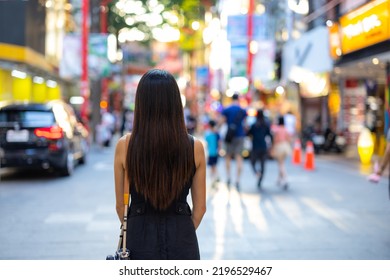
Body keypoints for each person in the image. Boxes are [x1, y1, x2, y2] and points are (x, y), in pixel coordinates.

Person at [114, 69, 206, 260]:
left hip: (138, 236)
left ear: (141, 103)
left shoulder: (125, 145)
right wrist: (181, 231)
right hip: (182, 237)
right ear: (175, 103)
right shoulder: (194, 147)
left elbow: (120, 207)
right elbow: (200, 208)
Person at [220, 93, 247, 190]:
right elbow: (245, 124)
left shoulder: (227, 109)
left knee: (227, 157)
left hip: (229, 136)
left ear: (231, 99)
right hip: (240, 136)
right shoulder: (243, 110)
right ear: (238, 99)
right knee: (239, 157)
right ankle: (238, 180)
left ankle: (228, 177)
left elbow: (222, 121)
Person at [247, 109, 273, 189]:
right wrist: (272, 144)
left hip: (255, 146)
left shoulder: (254, 125)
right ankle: (260, 179)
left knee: (252, 162)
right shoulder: (266, 124)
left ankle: (256, 173)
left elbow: (248, 134)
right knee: (262, 164)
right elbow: (270, 135)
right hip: (263, 146)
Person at [271, 115, 292, 190]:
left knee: (281, 164)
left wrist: (272, 148)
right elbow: (289, 139)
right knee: (281, 163)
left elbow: (275, 140)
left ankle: (285, 179)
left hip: (279, 146)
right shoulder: (286, 129)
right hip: (286, 146)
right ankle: (279, 179)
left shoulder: (277, 130)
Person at [204, 119, 221, 188]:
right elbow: (219, 143)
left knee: (212, 167)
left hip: (210, 153)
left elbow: (207, 145)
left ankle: (213, 179)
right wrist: (219, 150)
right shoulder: (216, 134)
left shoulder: (208, 134)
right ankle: (216, 177)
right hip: (215, 153)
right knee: (214, 166)